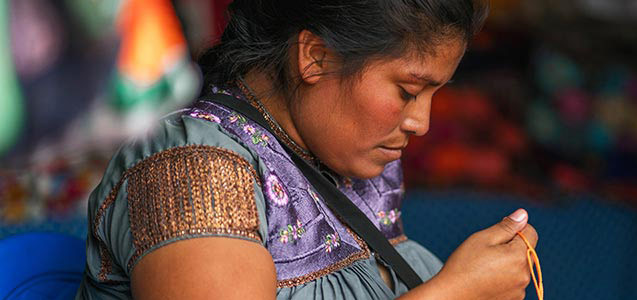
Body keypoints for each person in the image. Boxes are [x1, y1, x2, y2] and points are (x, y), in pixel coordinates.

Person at [76, 0, 539, 299]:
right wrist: (453, 293)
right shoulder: (191, 170)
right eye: (407, 90)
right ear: (315, 57)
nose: (421, 123)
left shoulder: (350, 156)